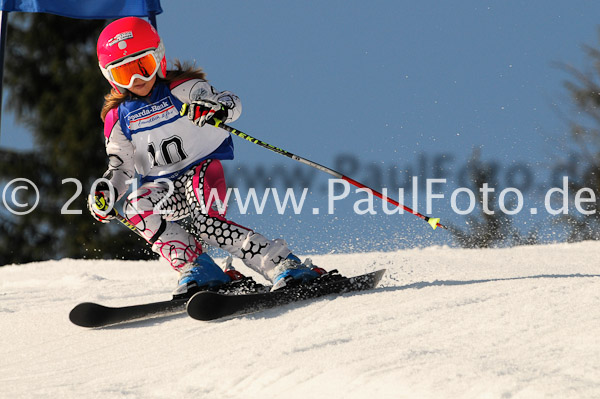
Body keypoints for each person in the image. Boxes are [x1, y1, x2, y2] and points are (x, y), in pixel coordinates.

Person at [89, 16, 324, 297]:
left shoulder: (182, 90)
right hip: (165, 189)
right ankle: (198, 268)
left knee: (207, 223)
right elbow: (120, 167)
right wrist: (106, 191)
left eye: (144, 66)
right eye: (125, 74)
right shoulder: (117, 118)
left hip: (201, 172)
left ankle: (282, 264)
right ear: (110, 77)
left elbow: (230, 102)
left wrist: (213, 110)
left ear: (159, 58)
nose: (138, 79)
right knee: (135, 207)